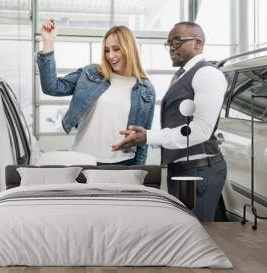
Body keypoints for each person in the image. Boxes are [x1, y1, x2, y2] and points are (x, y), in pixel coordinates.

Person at [112, 21, 227, 221]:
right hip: (183, 167)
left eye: (177, 41)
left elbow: (200, 130)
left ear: (198, 43)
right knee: (188, 229)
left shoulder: (207, 74)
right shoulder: (182, 75)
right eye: (169, 43)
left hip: (199, 168)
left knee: (192, 231)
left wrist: (149, 136)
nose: (171, 47)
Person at [36, 19, 155, 166]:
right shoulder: (92, 73)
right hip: (83, 160)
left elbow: (144, 139)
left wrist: (139, 172)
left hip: (123, 164)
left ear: (129, 49)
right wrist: (48, 43)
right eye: (106, 50)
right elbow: (52, 87)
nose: (110, 56)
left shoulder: (146, 90)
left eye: (116, 49)